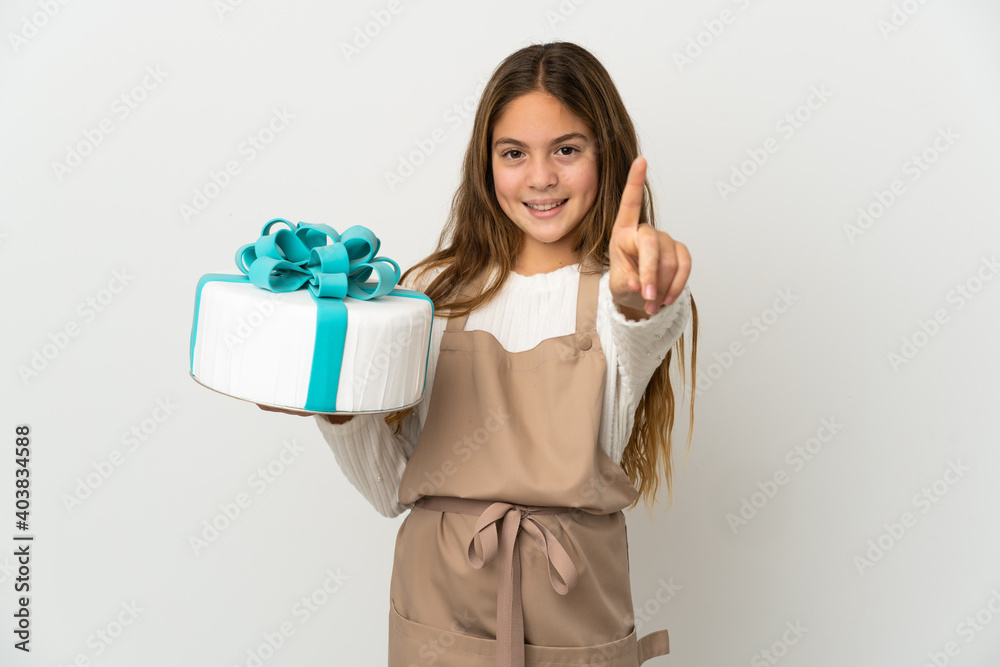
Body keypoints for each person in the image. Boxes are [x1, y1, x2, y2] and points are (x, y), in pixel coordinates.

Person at [261, 40, 699, 666]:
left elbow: (643, 327)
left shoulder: (615, 295)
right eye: (513, 153)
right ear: (484, 163)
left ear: (608, 155)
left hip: (571, 604)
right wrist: (335, 407)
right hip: (439, 603)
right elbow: (390, 489)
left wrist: (641, 297)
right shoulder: (430, 295)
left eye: (567, 150)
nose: (540, 177)